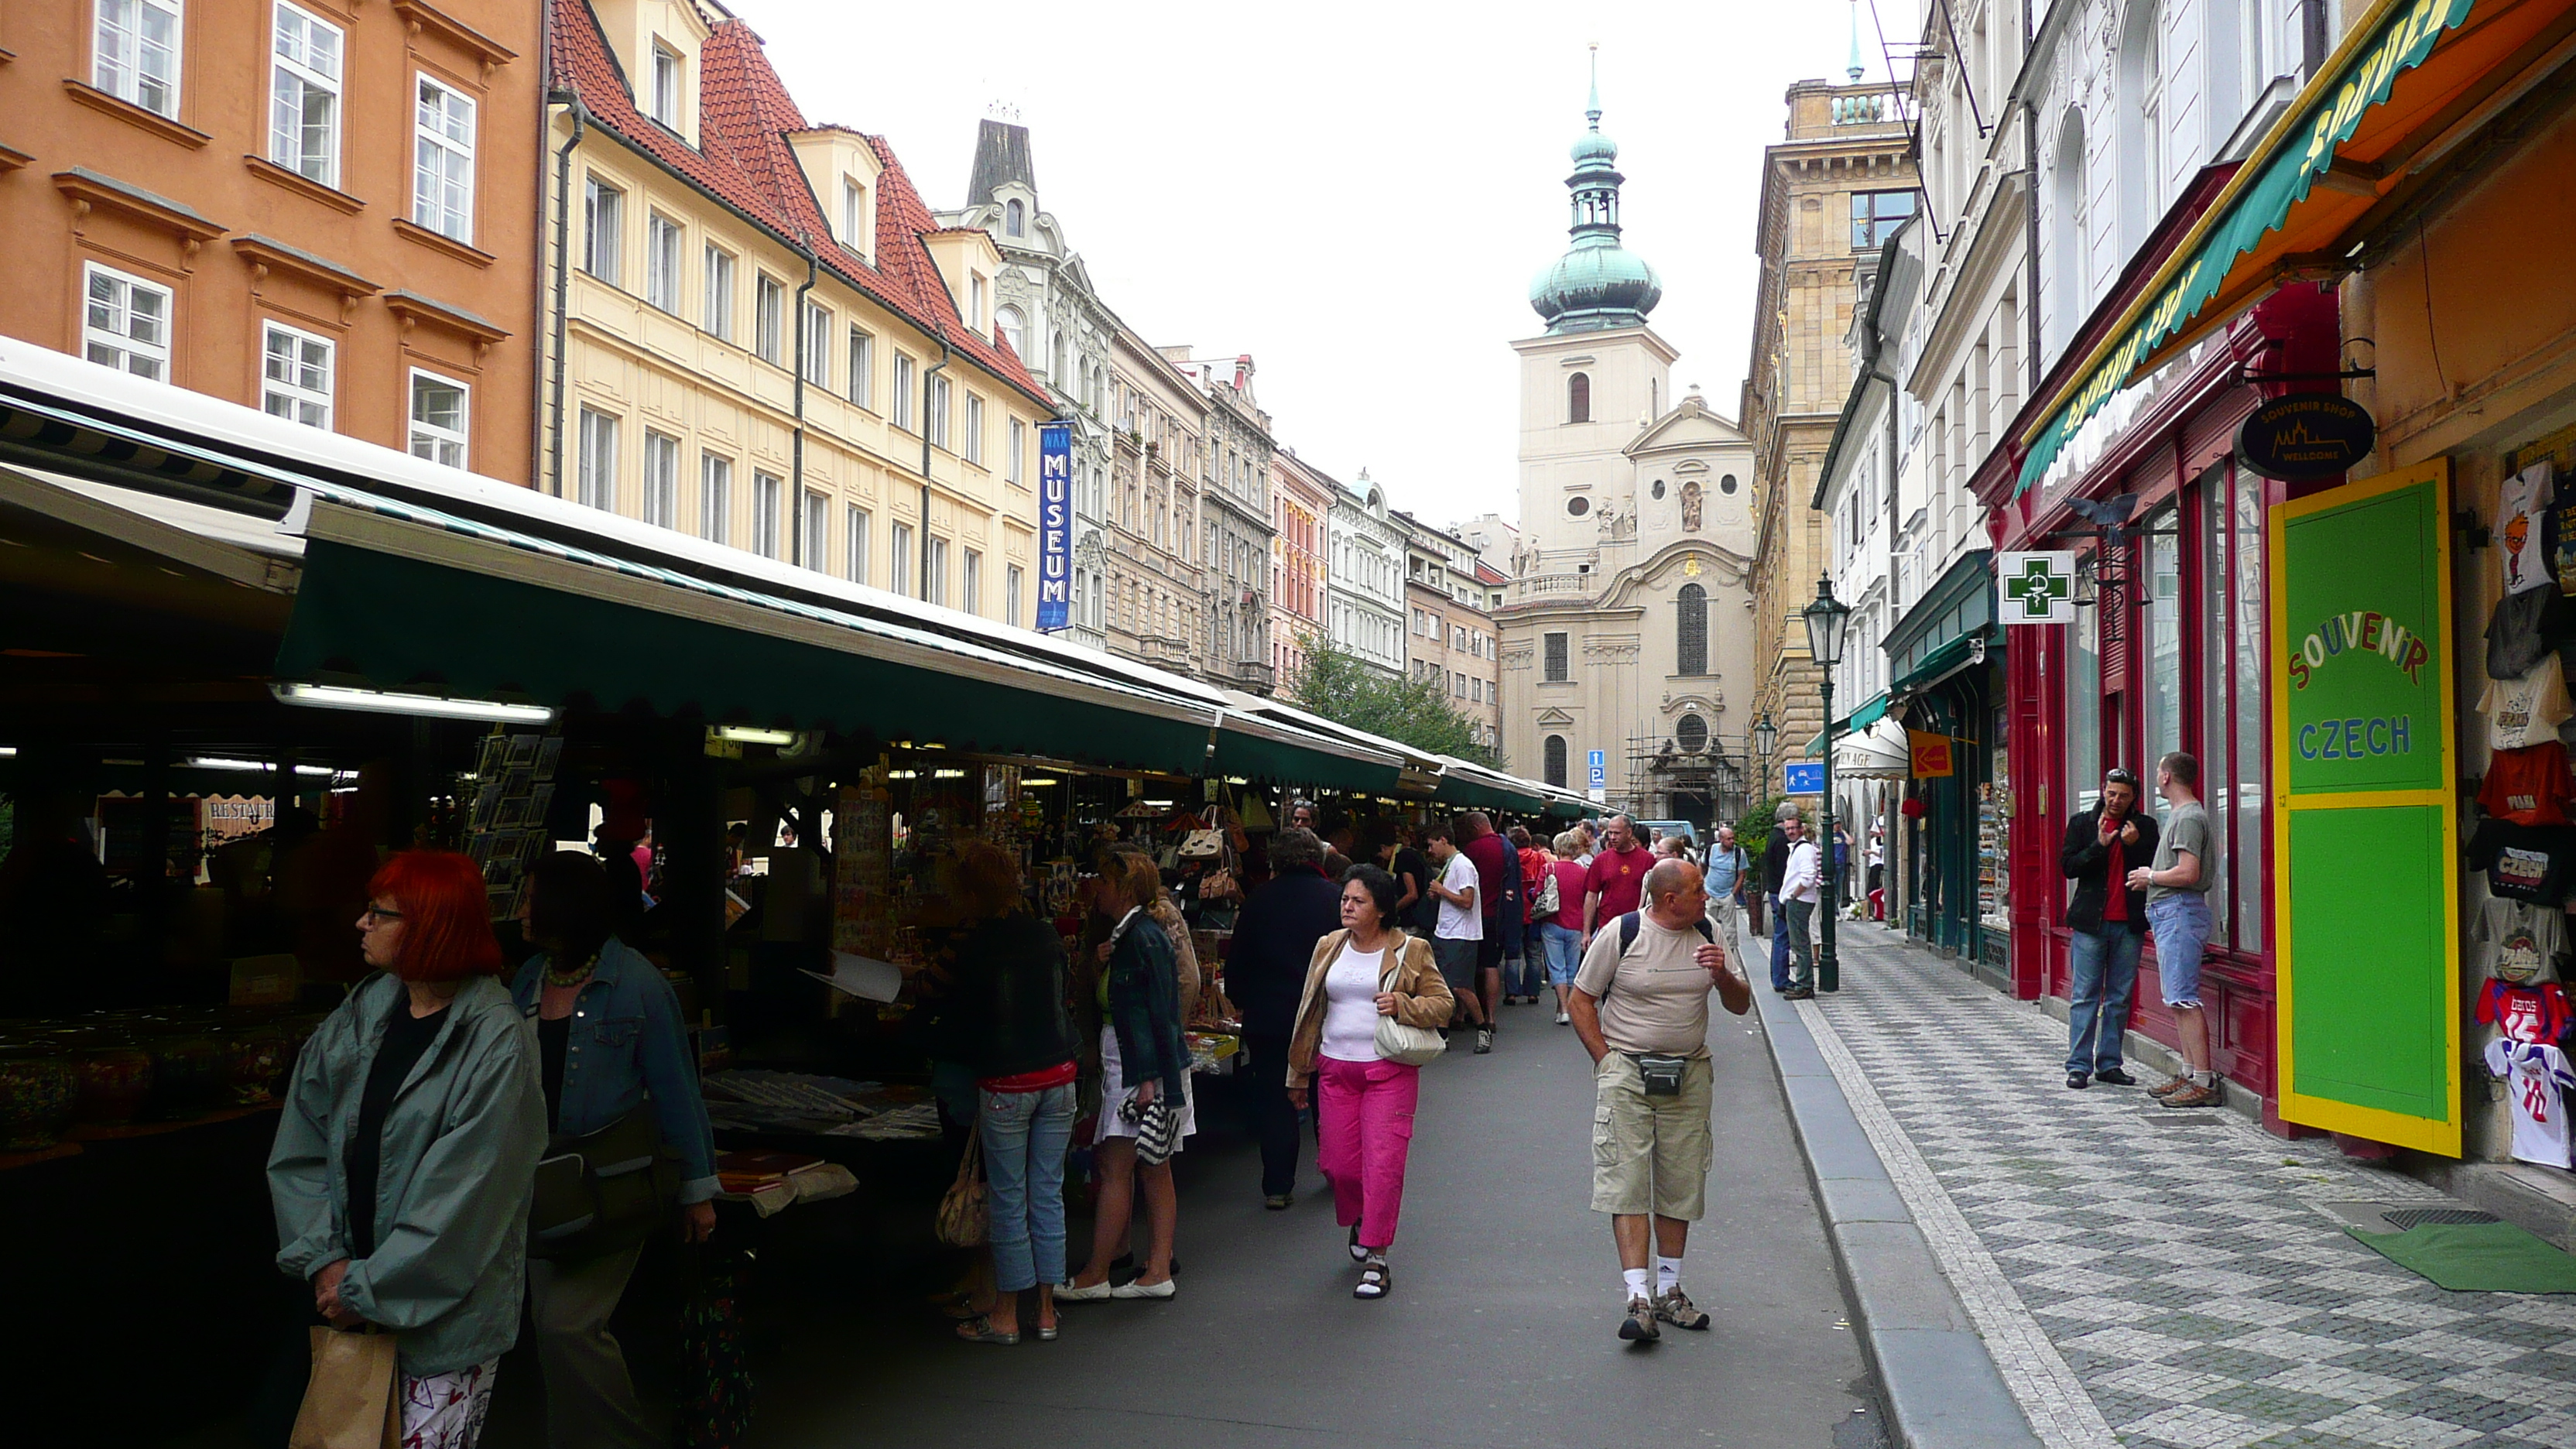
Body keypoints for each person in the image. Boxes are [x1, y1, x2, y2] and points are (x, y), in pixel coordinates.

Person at [268, 851, 547, 1449]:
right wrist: (326, 1259)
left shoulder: (497, 1040)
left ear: (431, 926)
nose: (361, 924)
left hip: (439, 1323)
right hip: (346, 1297)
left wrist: (362, 1289)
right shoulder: (369, 1006)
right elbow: (303, 1140)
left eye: (379, 913)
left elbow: (464, 1204)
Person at [510, 853, 720, 1444]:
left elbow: (678, 1092)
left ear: (564, 908)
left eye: (531, 898)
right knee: (553, 1337)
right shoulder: (528, 979)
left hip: (611, 1185)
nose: (521, 910)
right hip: (541, 1184)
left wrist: (699, 1192)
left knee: (565, 1327)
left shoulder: (638, 986)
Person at [1568, 859, 1749, 1342]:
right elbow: (1581, 999)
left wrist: (1722, 975)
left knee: (1680, 1181)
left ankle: (1670, 1292)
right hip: (1627, 1072)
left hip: (1688, 1075)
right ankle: (1638, 1297)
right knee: (1626, 1180)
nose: (1706, 896)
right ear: (1670, 900)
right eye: (1697, 889)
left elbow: (1741, 1004)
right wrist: (1606, 1060)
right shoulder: (1622, 933)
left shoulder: (1709, 932)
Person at [1284, 864, 1454, 1300]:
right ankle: (1361, 1216)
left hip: (1388, 1073)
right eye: (1345, 899)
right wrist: (1298, 1073)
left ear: (1380, 908)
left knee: (1383, 1165)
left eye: (1357, 901)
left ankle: (1377, 1257)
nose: (1347, 906)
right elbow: (1309, 1011)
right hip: (1335, 1070)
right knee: (1336, 1166)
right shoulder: (1329, 946)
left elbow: (1443, 1004)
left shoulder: (1410, 950)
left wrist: (1402, 1003)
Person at [941, 843, 1081, 1345]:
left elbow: (962, 1019)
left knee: (1007, 1197)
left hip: (1006, 1082)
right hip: (1059, 1074)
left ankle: (1004, 1314)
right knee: (1047, 1191)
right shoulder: (1046, 937)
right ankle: (1045, 1311)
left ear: (972, 891)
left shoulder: (977, 945)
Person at [1062, 851, 1194, 1300]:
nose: (1097, 887)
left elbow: (1159, 1011)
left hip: (1137, 1066)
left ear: (1125, 888)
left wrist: (1150, 1081)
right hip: (1142, 1064)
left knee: (1117, 1165)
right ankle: (1155, 1268)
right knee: (1153, 1164)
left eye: (1105, 879)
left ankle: (1097, 1272)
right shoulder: (1135, 935)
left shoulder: (1141, 937)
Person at [1226, 828, 1344, 1208]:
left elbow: (1238, 960)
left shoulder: (1258, 900)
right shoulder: (1335, 899)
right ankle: (1335, 1169)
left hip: (1270, 1014)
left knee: (1275, 1100)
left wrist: (1239, 999)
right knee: (1327, 1096)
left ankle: (1277, 1184)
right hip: (1326, 1016)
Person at [2128, 752, 2221, 1108]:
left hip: (2179, 911)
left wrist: (2148, 876)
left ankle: (2203, 1079)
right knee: (2177, 997)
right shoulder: (2185, 816)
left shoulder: (2187, 818)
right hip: (2172, 911)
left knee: (2184, 997)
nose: (2156, 777)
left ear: (2166, 777)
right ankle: (2189, 1071)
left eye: (2157, 772)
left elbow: (2189, 873)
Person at [2059, 769, 2157, 1091]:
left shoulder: (2144, 828)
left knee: (2119, 997)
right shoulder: (2082, 824)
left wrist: (2135, 846)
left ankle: (2110, 1063)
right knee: (2084, 996)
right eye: (2111, 793)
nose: (2115, 801)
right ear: (2103, 791)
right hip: (2090, 923)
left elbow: (2154, 870)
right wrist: (2099, 845)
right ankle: (2078, 1066)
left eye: (2123, 795)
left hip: (2127, 924)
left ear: (2133, 798)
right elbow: (2069, 867)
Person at [1421, 824, 1490, 1052]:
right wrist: (1440, 894)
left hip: (1461, 934)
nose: (1430, 851)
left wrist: (1442, 892)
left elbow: (1467, 901)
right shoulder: (1452, 866)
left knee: (1461, 986)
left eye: (1432, 845)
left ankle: (1483, 1029)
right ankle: (1443, 1034)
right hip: (1447, 931)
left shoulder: (1462, 866)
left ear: (1443, 840)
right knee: (1444, 986)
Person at [1459, 811, 1521, 1029]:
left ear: (1475, 829)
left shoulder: (1472, 850)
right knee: (1491, 965)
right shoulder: (1508, 848)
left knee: (1466, 966)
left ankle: (1464, 1012)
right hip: (1498, 916)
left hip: (1473, 916)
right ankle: (1491, 1016)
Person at [1579, 814, 1656, 951]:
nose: (1612, 838)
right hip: (1608, 927)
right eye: (1610, 833)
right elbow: (1591, 895)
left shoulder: (1647, 859)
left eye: (1617, 833)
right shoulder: (1601, 860)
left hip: (1639, 928)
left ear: (1629, 833)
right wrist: (1586, 932)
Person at [1540, 831, 1591, 1023]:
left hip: (1552, 922)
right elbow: (1588, 898)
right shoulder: (1583, 872)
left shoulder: (1548, 868)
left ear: (1558, 848)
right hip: (1577, 924)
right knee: (1572, 968)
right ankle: (1566, 1007)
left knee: (1556, 967)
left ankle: (1563, 1008)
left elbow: (1538, 893)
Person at [1779, 820, 1821, 999]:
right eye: (1787, 829)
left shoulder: (1803, 849)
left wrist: (1794, 895)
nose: (1791, 832)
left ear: (1801, 829)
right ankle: (1803, 983)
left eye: (1794, 828)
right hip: (1798, 900)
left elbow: (1808, 876)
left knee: (1800, 944)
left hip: (1800, 901)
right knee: (1799, 943)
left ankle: (1804, 984)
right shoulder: (1798, 848)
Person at [1512, 826, 1554, 1005]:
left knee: (1513, 955)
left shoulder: (1510, 858)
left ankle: (1512, 993)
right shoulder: (1539, 858)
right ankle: (1533, 993)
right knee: (1534, 955)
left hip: (1514, 911)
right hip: (1535, 911)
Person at [1761, 804, 1800, 992]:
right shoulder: (1782, 841)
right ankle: (1780, 979)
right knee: (1782, 937)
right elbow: (1787, 871)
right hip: (1781, 893)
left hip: (1776, 891)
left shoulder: (1773, 837)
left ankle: (1779, 977)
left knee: (1781, 936)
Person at [1374, 820, 1435, 939]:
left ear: (1383, 847)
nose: (1383, 860)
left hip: (1411, 920)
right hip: (1421, 918)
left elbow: (1412, 894)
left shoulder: (1402, 858)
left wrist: (1391, 910)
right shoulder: (1412, 853)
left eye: (1380, 855)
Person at [1703, 825, 1748, 949]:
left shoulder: (1739, 853)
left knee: (1730, 927)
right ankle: (1708, 947)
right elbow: (1701, 866)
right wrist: (1702, 886)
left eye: (1733, 838)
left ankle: (1729, 952)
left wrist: (1733, 894)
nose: (1732, 841)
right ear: (1721, 839)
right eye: (1729, 839)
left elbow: (1742, 875)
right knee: (1708, 923)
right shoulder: (1710, 850)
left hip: (1727, 894)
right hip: (1710, 893)